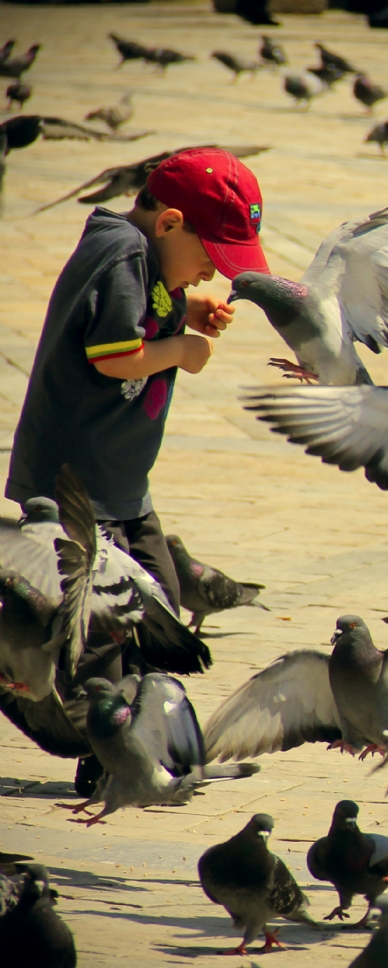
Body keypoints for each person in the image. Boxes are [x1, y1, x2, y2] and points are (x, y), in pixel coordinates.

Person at [4, 147, 269, 790]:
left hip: (123, 487)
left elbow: (144, 312)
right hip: (79, 487)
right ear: (171, 223)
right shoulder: (121, 252)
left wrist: (188, 313)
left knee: (159, 610)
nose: (214, 270)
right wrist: (181, 347)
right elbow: (115, 352)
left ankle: (132, 731)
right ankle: (103, 745)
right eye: (211, 254)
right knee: (98, 625)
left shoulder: (148, 258)